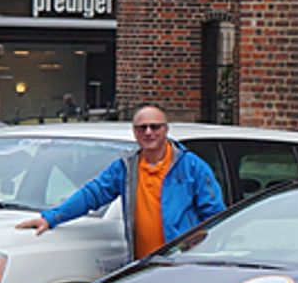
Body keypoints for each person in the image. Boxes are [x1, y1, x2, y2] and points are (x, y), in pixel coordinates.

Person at [17, 103, 223, 256]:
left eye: (155, 127)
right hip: (142, 266)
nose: (148, 132)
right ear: (134, 132)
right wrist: (51, 218)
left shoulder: (192, 167)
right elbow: (93, 194)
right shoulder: (126, 168)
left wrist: (199, 252)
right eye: (142, 128)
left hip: (181, 264)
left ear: (166, 130)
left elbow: (215, 216)